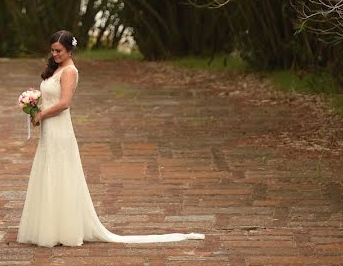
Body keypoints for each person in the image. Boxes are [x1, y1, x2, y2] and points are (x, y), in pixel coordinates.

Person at [16, 29, 205, 247]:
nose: (55, 54)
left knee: (60, 171)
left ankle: (64, 229)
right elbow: (50, 97)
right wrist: (35, 108)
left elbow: (65, 102)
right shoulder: (56, 69)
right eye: (52, 50)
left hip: (60, 128)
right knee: (48, 170)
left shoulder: (69, 71)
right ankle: (49, 226)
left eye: (58, 50)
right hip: (49, 128)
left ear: (69, 50)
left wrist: (42, 114)